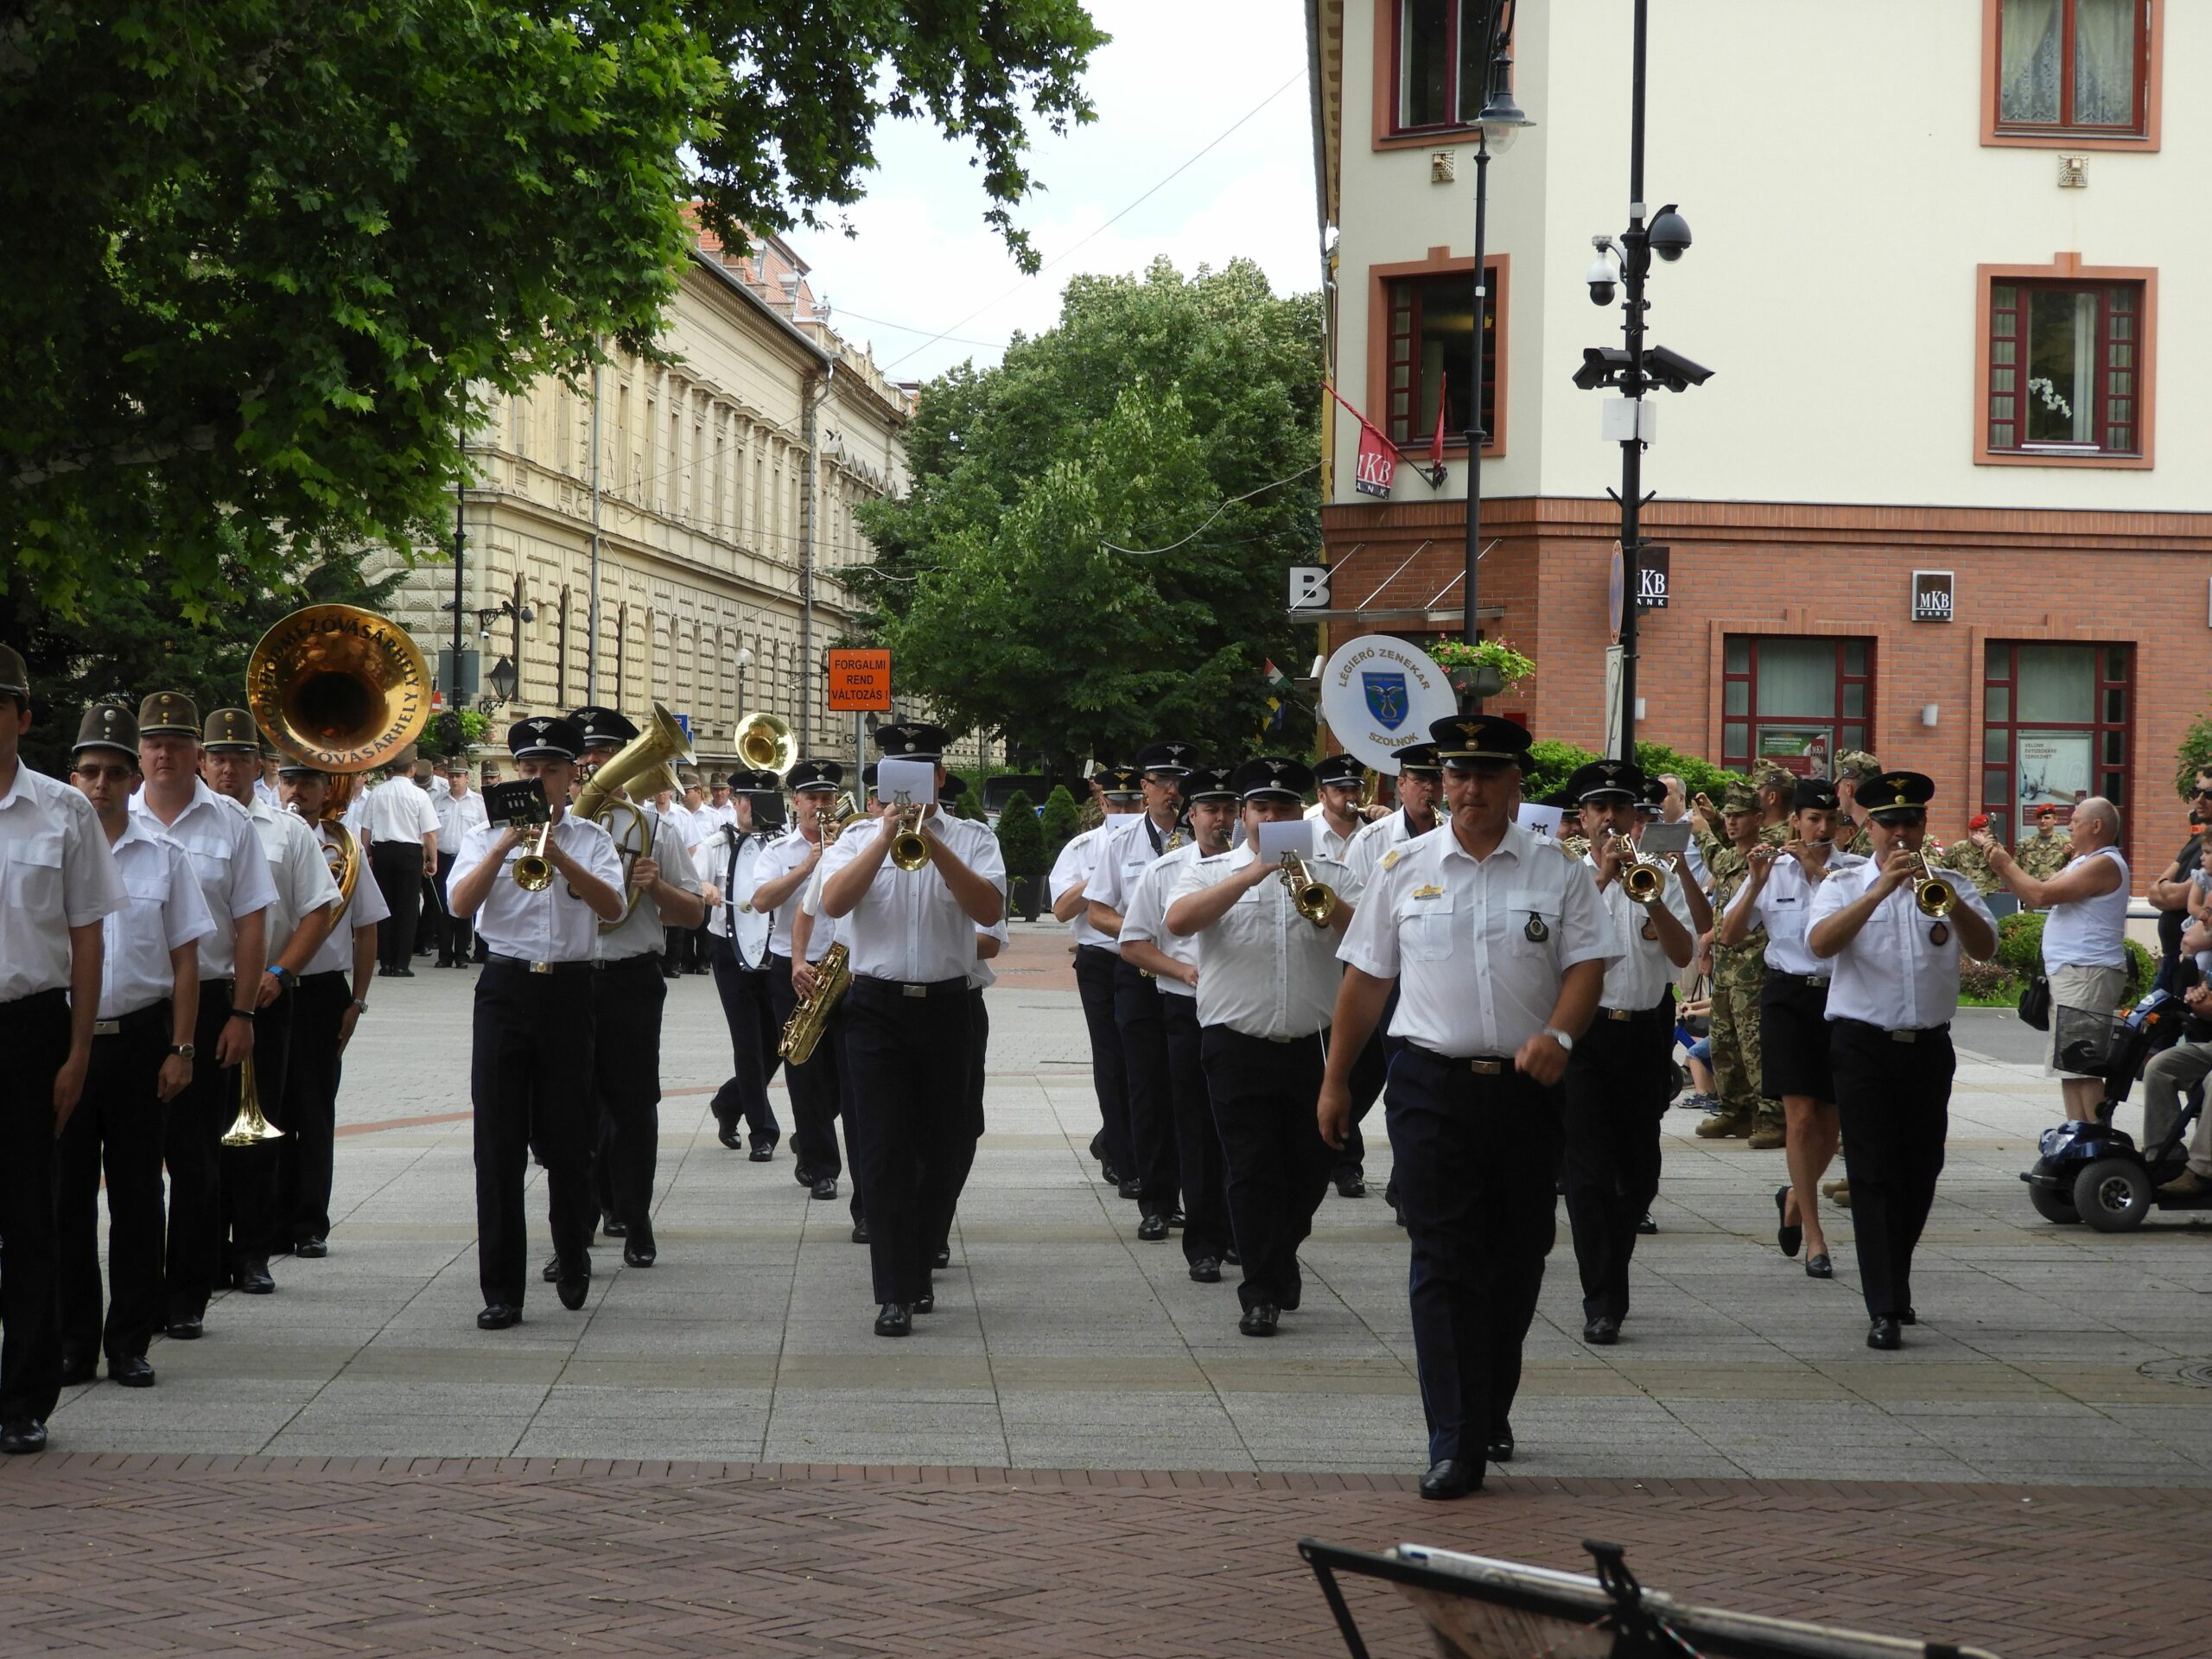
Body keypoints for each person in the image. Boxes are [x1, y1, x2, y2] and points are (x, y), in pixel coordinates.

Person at [1319, 715, 1611, 1501]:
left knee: (1517, 1258)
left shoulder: (1558, 872)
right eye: (1456, 776)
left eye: (1485, 776)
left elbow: (1588, 965)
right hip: (1429, 1086)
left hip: (1527, 1089)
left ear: (1516, 785)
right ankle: (1453, 1436)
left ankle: (1487, 1404)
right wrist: (1337, 1079)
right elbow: (1367, 978)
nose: (1468, 790)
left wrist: (1559, 1032)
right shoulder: (1402, 865)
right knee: (1443, 1260)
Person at [819, 722, 1006, 1338]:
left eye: (920, 778)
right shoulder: (851, 841)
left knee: (948, 1142)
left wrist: (930, 839)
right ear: (878, 787)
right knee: (883, 1147)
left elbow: (989, 911)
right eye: (896, 780)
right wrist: (883, 837)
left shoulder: (974, 838)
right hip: (874, 1007)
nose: (908, 790)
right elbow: (835, 904)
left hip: (950, 1005)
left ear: (940, 780)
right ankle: (894, 1289)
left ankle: (923, 1251)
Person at [1165, 757, 1355, 1339]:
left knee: (1307, 1170)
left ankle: (1279, 1255)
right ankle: (1261, 1290)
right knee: (1250, 1168)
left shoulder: (1331, 871)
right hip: (1234, 1042)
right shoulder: (1211, 870)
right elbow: (1177, 922)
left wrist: (1316, 894)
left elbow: (1367, 938)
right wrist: (1251, 876)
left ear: (1301, 814)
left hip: (1309, 1043)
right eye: (1260, 808)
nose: (1271, 817)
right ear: (1244, 816)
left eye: (1283, 808)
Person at [1808, 771, 1996, 1350]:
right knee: (1872, 1172)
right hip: (1862, 1044)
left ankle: (1895, 1277)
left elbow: (1985, 947)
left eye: (1909, 822)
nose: (1899, 833)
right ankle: (1884, 1305)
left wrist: (1952, 902)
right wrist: (1878, 892)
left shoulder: (1953, 884)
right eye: (1888, 823)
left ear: (1922, 826)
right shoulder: (1843, 884)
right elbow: (1819, 945)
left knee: (1921, 1172)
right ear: (1868, 827)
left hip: (1928, 1047)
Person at [447, 715, 625, 1329]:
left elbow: (614, 908)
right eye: (529, 769)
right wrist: (504, 846)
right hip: (505, 986)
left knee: (570, 1138)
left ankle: (572, 1255)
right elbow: (458, 905)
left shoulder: (592, 839)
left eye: (551, 770)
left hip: (571, 991)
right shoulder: (481, 836)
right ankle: (501, 1289)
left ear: (572, 778)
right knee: (495, 1145)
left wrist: (559, 856)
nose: (538, 779)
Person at [60, 705, 210, 1390]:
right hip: (65, 1044)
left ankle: (129, 1341)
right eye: (90, 771)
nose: (102, 784)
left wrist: (182, 1046)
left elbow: (186, 962)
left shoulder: (165, 857)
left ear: (131, 780)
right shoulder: (52, 851)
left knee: (138, 1198)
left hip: (141, 1040)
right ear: (72, 776)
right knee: (64, 1200)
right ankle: (72, 1342)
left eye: (115, 773)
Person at [0, 653, 127, 1452]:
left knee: (30, 1218)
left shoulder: (62, 811)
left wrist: (79, 1049)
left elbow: (88, 938)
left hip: (30, 1027)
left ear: (24, 717)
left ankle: (22, 1400)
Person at [130, 691, 276, 1342]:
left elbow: (251, 925)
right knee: (134, 1163)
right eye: (154, 742)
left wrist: (242, 1011)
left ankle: (187, 1294)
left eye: (178, 743)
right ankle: (134, 1295)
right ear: (141, 751)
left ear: (198, 753)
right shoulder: (108, 816)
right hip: (132, 1006)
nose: (166, 753)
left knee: (195, 1159)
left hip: (213, 997)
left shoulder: (231, 824)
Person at [200, 708, 342, 1296]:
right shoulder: (185, 825)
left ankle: (253, 1250)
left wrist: (281, 972)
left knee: (262, 1129)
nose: (229, 767)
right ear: (204, 762)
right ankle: (203, 1250)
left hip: (266, 996)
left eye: (240, 757)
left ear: (259, 765)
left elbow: (321, 908)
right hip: (203, 993)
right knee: (200, 1135)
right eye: (219, 757)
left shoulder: (288, 831)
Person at [1560, 759, 1694, 1346]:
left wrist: (1651, 900)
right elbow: (1541, 946)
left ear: (1638, 819)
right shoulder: (1560, 874)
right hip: (1583, 1034)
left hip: (1642, 1029)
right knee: (1587, 1174)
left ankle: (1613, 1272)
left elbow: (1685, 953)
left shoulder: (1658, 872)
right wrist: (1602, 880)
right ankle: (1603, 1297)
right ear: (1583, 818)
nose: (1611, 819)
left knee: (1638, 1173)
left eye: (1623, 810)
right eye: (1600, 809)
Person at [571, 705, 705, 1268]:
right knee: (573, 1110)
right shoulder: (566, 828)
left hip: (631, 979)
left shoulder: (657, 829)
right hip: (572, 978)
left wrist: (657, 891)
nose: (594, 763)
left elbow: (694, 915)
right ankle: (573, 1230)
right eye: (590, 755)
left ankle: (635, 1217)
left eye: (607, 754)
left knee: (633, 1107)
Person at [1719, 778, 1862, 1279]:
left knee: (1832, 1120)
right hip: (1786, 996)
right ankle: (1816, 1238)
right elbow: (1730, 935)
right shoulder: (1772, 869)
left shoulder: (1855, 873)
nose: (1821, 829)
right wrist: (1756, 881)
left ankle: (1794, 1201)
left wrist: (1819, 872)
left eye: (1830, 821)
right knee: (1800, 1118)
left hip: (1842, 997)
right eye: (1812, 820)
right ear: (1794, 821)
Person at [1116, 765, 1236, 1281]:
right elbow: (1133, 942)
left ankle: (1241, 1231)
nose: (1222, 820)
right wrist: (1181, 969)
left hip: (1243, 1012)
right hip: (1187, 1010)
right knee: (1196, 1126)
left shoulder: (1260, 866)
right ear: (1192, 816)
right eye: (1212, 810)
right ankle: (1205, 1240)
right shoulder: (1165, 872)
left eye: (1230, 810)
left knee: (1243, 1130)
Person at [272, 762, 386, 1259]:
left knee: (314, 1109)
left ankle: (309, 1221)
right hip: (266, 988)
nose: (298, 791)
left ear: (326, 789)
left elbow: (367, 928)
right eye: (289, 781)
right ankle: (266, 1218)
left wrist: (357, 1000)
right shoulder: (262, 840)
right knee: (267, 1110)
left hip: (321, 991)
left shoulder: (348, 851)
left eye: (309, 782)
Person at [1085, 739, 1198, 1240]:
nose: (1172, 793)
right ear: (1146, 787)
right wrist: (1140, 931)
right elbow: (1097, 911)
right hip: (1139, 974)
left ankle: (1200, 1198)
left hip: (1193, 978)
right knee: (1147, 1088)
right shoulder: (1121, 841)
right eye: (1163, 783)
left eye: (1180, 783)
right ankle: (1156, 1200)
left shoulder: (1211, 837)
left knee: (1190, 1088)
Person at [1338, 741, 1450, 1207]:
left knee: (1410, 1074)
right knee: (1392, 1071)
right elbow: (1355, 917)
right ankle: (1380, 1170)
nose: (1429, 789)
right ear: (1400, 784)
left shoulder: (1453, 833)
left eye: (1436, 780)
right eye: (1419, 780)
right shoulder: (1372, 840)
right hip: (1386, 972)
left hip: (1433, 970)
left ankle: (1405, 1180)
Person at [1974, 798, 2129, 1124]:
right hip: (2072, 972)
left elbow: (2041, 896)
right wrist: (1998, 860)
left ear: (2096, 826)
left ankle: (2097, 1142)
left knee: (2083, 1064)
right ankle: (2077, 1136)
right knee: (2069, 1066)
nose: (2069, 826)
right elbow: (2037, 889)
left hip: (2087, 972)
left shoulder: (2104, 863)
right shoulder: (2081, 861)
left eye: (2075, 820)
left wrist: (2003, 864)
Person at [750, 759, 852, 1200]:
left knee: (847, 1073)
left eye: (827, 798)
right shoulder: (777, 851)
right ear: (796, 803)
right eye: (812, 798)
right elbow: (760, 901)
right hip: (796, 970)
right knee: (804, 1068)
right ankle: (820, 1164)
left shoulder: (854, 845)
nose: (821, 806)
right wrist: (808, 867)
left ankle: (812, 1132)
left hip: (847, 968)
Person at [1049, 763, 1141, 1191]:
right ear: (1102, 803)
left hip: (1149, 959)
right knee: (1111, 1058)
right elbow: (1062, 910)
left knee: (1145, 1058)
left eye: (1133, 801)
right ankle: (1123, 1153)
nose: (1125, 808)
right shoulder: (1083, 847)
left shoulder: (1163, 844)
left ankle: (1121, 1139)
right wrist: (1101, 870)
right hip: (1101, 959)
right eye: (1117, 802)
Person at [703, 768, 784, 1158]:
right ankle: (763, 1132)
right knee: (748, 1045)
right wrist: (703, 886)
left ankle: (728, 1102)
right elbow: (690, 878)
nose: (752, 807)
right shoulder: (717, 843)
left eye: (760, 799)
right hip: (729, 953)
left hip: (776, 952)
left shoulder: (782, 845)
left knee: (780, 1045)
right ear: (734, 801)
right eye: (746, 799)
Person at [1691, 779, 1771, 1143]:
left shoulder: (1767, 859)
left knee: (1756, 1046)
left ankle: (1770, 1116)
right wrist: (1705, 829)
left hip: (1755, 968)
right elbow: (1715, 856)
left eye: (1740, 815)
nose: (1733, 822)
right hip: (1726, 969)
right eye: (1728, 815)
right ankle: (1734, 1111)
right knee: (1724, 1044)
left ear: (1758, 818)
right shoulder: (1730, 858)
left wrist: (1705, 828)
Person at [361, 752, 439, 976]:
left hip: (382, 850)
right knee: (407, 908)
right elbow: (429, 833)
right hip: (409, 852)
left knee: (385, 907)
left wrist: (368, 853)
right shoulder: (419, 795)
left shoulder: (377, 792)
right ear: (412, 768)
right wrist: (432, 860)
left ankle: (385, 962)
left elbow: (366, 829)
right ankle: (401, 964)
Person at [430, 756, 487, 966]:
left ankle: (462, 953)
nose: (454, 780)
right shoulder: (437, 801)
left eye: (458, 776)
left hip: (467, 859)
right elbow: (430, 831)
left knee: (464, 905)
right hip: (443, 858)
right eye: (451, 775)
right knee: (443, 908)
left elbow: (485, 832)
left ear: (466, 777)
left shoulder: (478, 803)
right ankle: (445, 954)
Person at [1831, 753, 1882, 858]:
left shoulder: (1870, 836)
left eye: (1839, 787)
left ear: (1849, 789)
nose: (1838, 794)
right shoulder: (1877, 827)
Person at [1936, 815, 2003, 895]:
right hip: (1964, 894)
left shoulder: (1996, 847)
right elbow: (1942, 866)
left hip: (1989, 894)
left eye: (1982, 831)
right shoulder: (1959, 847)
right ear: (1971, 831)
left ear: (1988, 832)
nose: (1978, 834)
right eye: (1975, 831)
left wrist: (1984, 845)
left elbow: (2003, 867)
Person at [2016, 805, 2075, 881]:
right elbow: (2016, 870)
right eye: (2039, 818)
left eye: (2047, 818)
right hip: (2032, 889)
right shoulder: (2026, 845)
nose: (2042, 821)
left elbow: (2076, 868)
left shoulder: (2067, 843)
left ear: (2055, 820)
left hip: (2057, 889)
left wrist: (2067, 855)